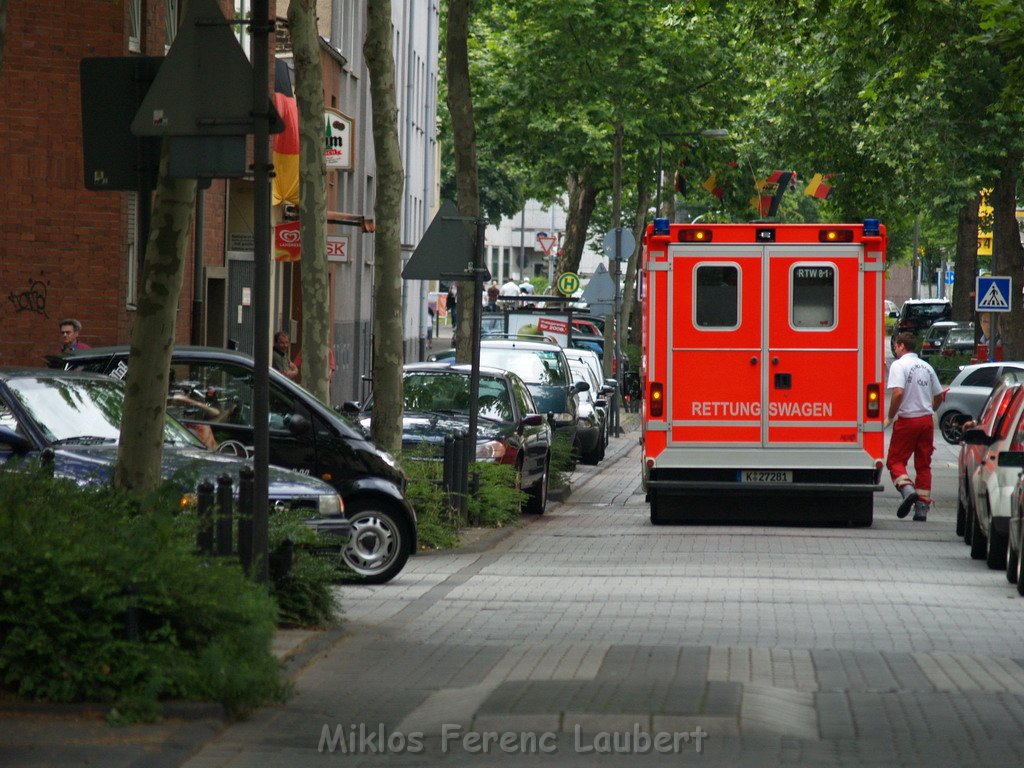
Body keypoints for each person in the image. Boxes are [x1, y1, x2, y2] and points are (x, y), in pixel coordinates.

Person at [885, 332, 945, 521]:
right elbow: (940, 395)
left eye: (896, 346)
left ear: (902, 346)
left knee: (895, 461)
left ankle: (907, 489)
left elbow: (897, 393)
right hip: (926, 420)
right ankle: (921, 508)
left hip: (908, 420)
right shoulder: (927, 367)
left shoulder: (899, 365)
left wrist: (890, 417)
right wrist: (930, 409)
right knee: (923, 465)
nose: (895, 349)